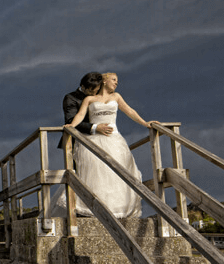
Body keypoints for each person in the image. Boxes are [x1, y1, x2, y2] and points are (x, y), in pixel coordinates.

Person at [53, 72, 156, 218]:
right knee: (96, 174)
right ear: (104, 81)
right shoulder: (88, 99)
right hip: (93, 139)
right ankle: (93, 208)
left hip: (114, 140)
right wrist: (70, 126)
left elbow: (129, 111)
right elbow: (79, 115)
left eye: (117, 81)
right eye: (114, 80)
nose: (116, 83)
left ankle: (118, 210)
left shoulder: (117, 96)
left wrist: (146, 123)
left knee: (117, 173)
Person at [57, 72, 113, 150]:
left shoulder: (101, 95)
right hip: (78, 141)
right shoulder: (71, 98)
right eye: (91, 91)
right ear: (83, 87)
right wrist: (95, 127)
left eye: (96, 91)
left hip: (103, 138)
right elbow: (70, 121)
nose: (94, 94)